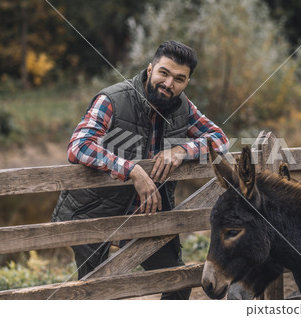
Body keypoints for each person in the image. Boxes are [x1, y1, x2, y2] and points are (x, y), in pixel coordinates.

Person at [51, 40, 229, 300]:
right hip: (95, 211)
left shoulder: (184, 107)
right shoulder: (111, 99)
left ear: (187, 82)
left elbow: (220, 139)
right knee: (95, 292)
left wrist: (181, 151)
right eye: (164, 73)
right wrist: (132, 170)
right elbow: (78, 146)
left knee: (176, 282)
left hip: (150, 211)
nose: (169, 84)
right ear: (150, 70)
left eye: (179, 79)